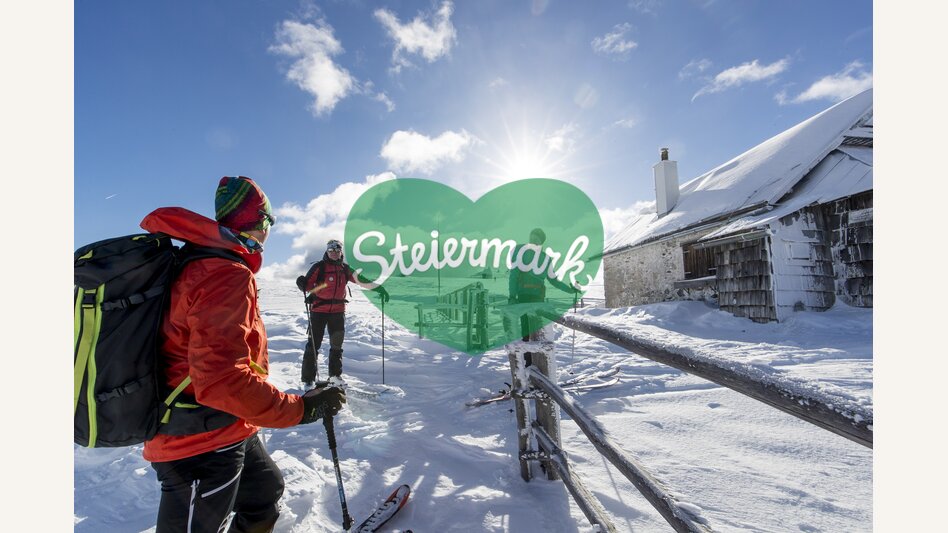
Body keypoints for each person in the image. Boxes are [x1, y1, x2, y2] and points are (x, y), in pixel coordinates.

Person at [139, 176, 347, 533]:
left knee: (264, 492)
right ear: (259, 221)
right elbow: (222, 379)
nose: (269, 230)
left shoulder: (205, 262)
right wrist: (300, 408)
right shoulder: (223, 273)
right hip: (197, 440)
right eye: (269, 221)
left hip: (225, 424)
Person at [296, 239, 390, 389]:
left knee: (336, 346)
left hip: (338, 313)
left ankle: (335, 376)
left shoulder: (345, 269)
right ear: (327, 251)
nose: (334, 253)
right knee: (314, 345)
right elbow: (307, 285)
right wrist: (301, 283)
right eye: (331, 250)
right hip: (318, 312)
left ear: (341, 252)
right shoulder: (319, 267)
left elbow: (362, 280)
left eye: (337, 250)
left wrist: (379, 289)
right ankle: (308, 379)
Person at [506, 227, 581, 341]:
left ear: (541, 242)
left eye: (536, 238)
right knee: (531, 330)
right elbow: (514, 276)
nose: (533, 240)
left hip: (532, 297)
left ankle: (534, 357)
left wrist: (570, 290)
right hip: (530, 297)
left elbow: (553, 280)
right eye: (532, 237)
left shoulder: (543, 258)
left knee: (532, 331)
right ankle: (530, 357)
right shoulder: (541, 257)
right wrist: (512, 296)